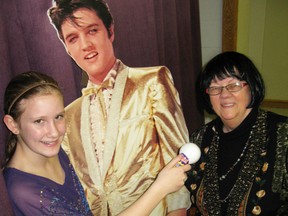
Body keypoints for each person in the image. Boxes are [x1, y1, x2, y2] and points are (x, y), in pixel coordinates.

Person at [47, 0, 190, 215]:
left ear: (110, 31)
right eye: (73, 38)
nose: (85, 45)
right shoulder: (67, 116)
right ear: (67, 48)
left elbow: (178, 163)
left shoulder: (152, 81)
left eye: (92, 31)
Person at [2, 71, 191, 216]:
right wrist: (161, 187)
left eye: (58, 117)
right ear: (13, 124)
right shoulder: (23, 190)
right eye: (39, 121)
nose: (54, 132)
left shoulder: (54, 151)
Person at [185, 51, 288, 215]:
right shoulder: (200, 138)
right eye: (215, 88)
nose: (224, 95)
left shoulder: (283, 134)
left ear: (252, 87)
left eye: (234, 86)